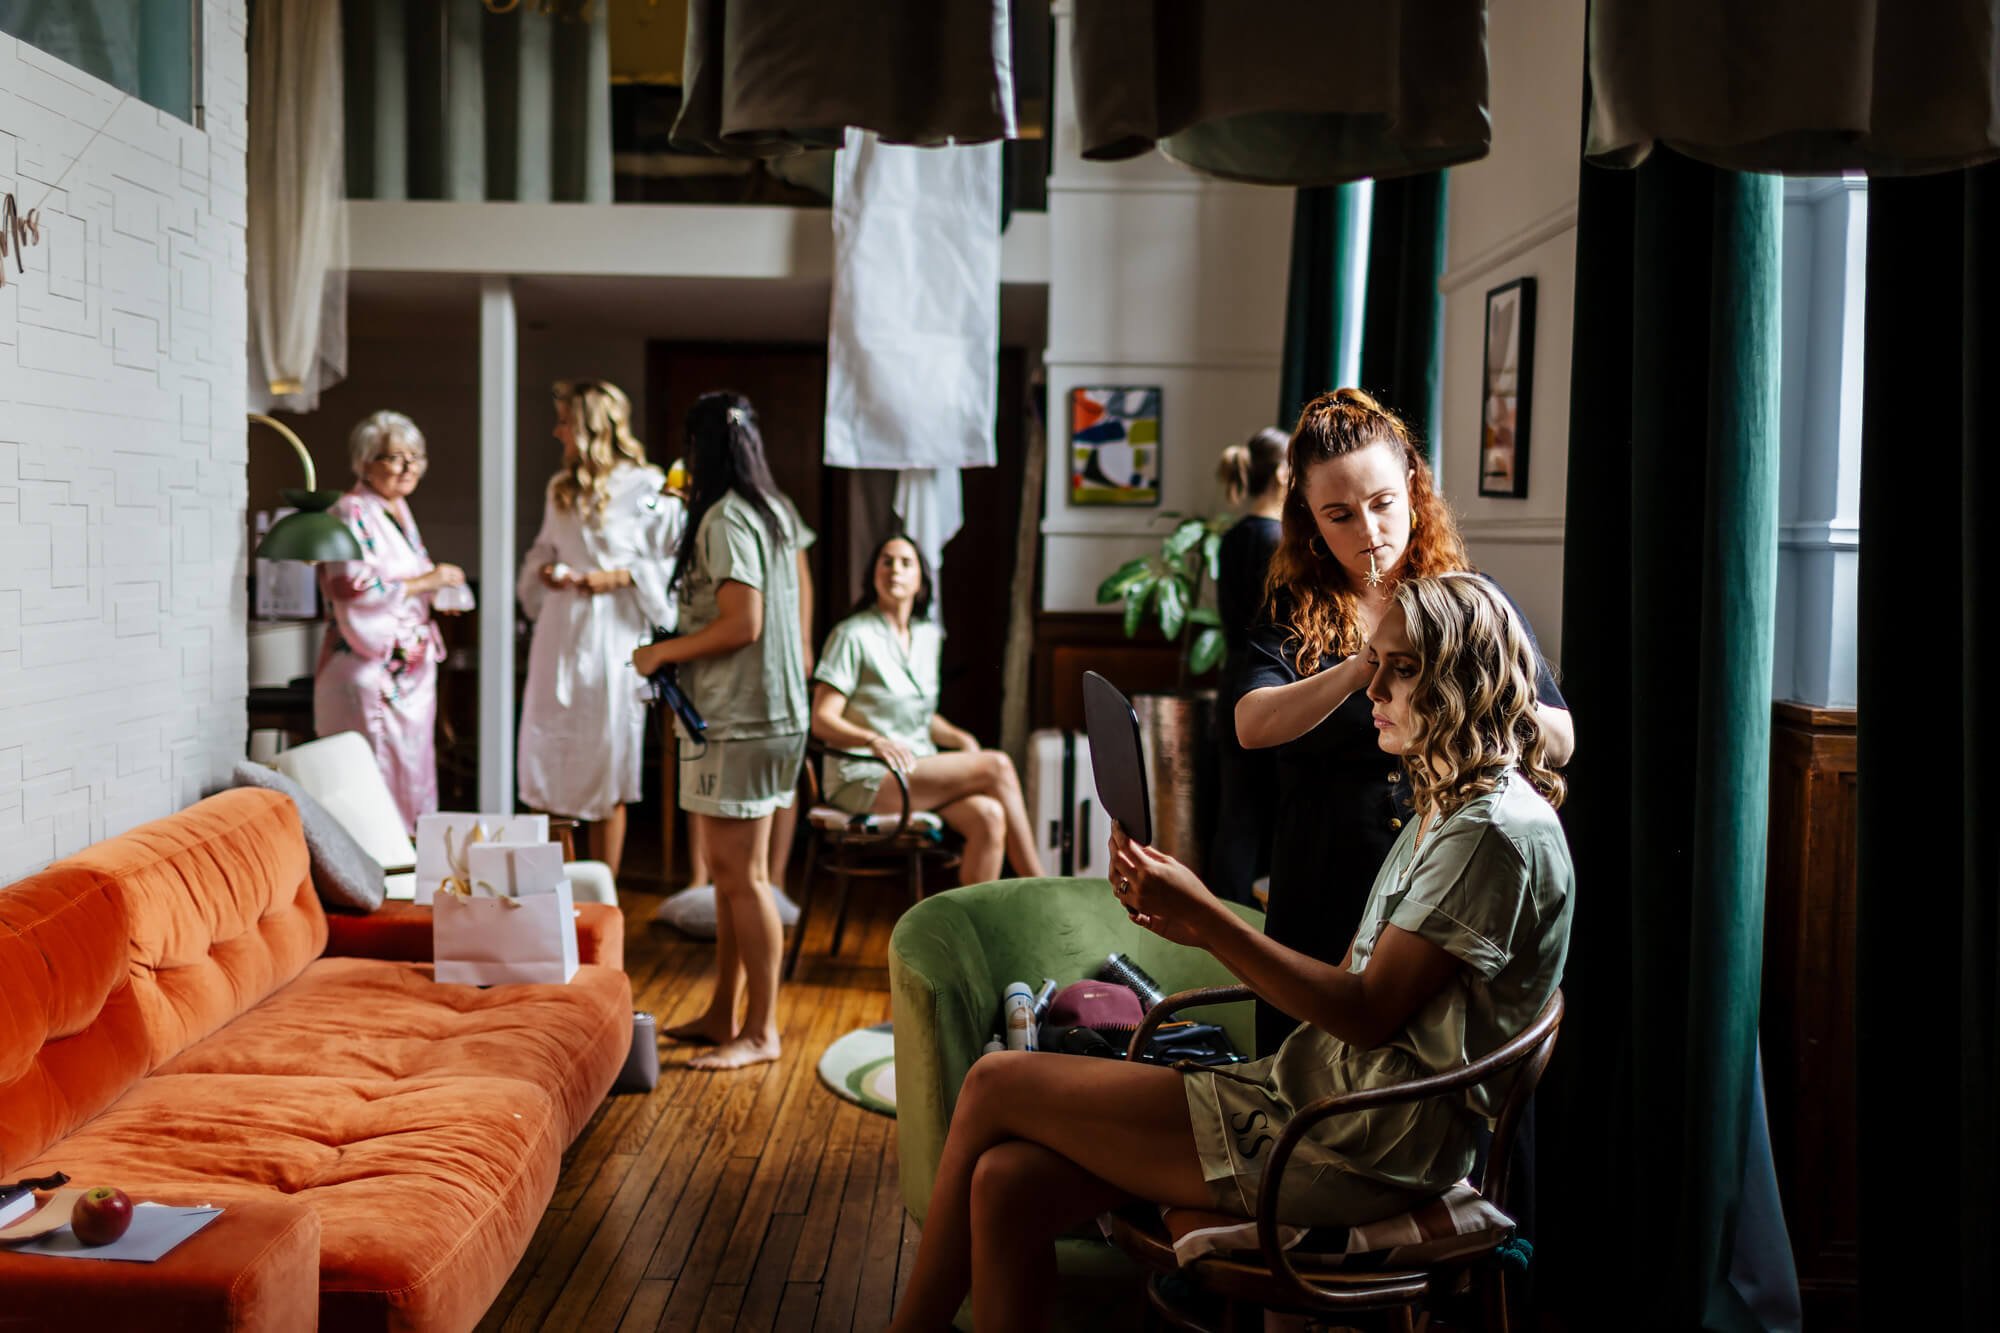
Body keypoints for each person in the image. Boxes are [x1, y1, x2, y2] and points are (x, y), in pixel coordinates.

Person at [888, 574, 1574, 1333]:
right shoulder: (1445, 803)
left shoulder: (1490, 833)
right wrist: (1190, 924)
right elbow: (1352, 978)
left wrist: (1210, 917)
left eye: (1401, 666)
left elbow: (1368, 1014)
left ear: (1464, 680)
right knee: (1005, 1183)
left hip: (1362, 1142)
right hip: (1315, 1100)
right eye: (1375, 660)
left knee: (994, 1081)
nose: (1372, 684)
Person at [1233, 388, 1574, 1055]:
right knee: (1305, 1078)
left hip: (1446, 882)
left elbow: (1560, 738)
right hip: (1325, 883)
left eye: (1384, 503)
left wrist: (1477, 687)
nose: (1369, 531)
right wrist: (1364, 665)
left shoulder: (1470, 603)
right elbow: (1251, 724)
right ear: (1307, 517)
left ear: (1413, 488)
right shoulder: (1292, 606)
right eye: (1339, 514)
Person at [631, 392, 814, 1071]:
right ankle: (723, 1011)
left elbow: (744, 623)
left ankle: (761, 1032)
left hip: (741, 719)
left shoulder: (726, 518)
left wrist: (661, 653)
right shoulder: (773, 512)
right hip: (765, 715)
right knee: (742, 876)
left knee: (743, 880)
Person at [809, 534, 1044, 886]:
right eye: (885, 561)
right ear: (873, 574)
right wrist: (873, 740)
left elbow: (918, 717)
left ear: (921, 579)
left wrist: (959, 737)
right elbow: (822, 719)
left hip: (917, 771)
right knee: (997, 766)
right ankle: (1043, 886)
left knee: (990, 816)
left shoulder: (927, 637)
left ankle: (971, 936)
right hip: (865, 776)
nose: (894, 570)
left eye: (906, 563)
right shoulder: (852, 635)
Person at [517, 380, 682, 880]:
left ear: (591, 426)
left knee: (607, 760)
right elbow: (544, 550)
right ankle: (557, 892)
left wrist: (615, 576)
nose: (556, 431)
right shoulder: (559, 489)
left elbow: (671, 562)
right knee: (548, 753)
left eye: (565, 421)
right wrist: (546, 571)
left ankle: (599, 894)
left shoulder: (649, 487)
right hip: (561, 633)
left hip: (613, 633)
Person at [314, 410, 465, 834]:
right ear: (364, 462)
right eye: (393, 457)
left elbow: (400, 578)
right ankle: (378, 878)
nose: (407, 467)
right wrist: (425, 582)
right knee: (373, 782)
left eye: (414, 457)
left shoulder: (396, 510)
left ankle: (405, 873)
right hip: (367, 668)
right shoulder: (350, 510)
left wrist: (435, 591)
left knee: (410, 774)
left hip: (407, 672)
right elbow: (350, 585)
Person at [1207, 427, 1289, 905]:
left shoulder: (1235, 535)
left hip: (1235, 679)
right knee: (1266, 817)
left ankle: (1225, 926)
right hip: (1269, 683)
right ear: (1282, 474)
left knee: (1235, 817)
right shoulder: (1277, 541)